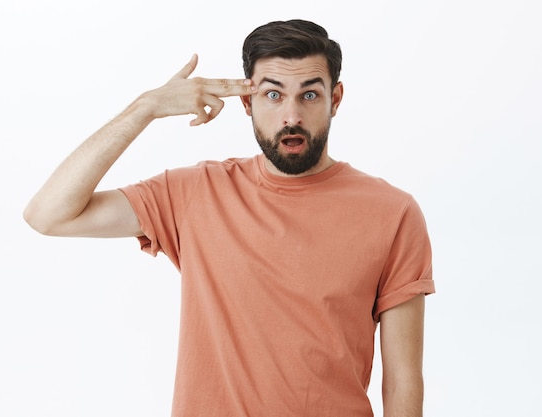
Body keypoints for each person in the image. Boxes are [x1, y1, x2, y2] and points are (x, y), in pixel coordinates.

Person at [24, 19, 435, 417]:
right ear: (247, 101)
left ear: (336, 99)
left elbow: (402, 380)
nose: (291, 117)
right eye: (273, 95)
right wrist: (145, 108)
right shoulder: (194, 193)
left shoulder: (392, 212)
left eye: (309, 95)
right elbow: (48, 215)